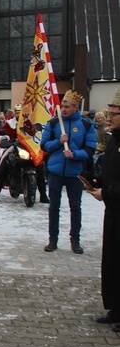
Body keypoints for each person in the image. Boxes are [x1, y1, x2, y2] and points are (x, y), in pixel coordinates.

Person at [41, 90, 96, 254]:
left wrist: (75, 154)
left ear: (75, 107)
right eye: (62, 106)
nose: (64, 109)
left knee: (75, 207)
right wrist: (59, 142)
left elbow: (91, 149)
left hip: (74, 172)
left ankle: (75, 240)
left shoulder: (86, 125)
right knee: (54, 206)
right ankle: (52, 239)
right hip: (56, 170)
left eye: (68, 106)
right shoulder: (53, 123)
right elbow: (44, 145)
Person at [88, 91, 120, 328]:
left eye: (113, 114)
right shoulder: (114, 140)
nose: (108, 118)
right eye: (108, 114)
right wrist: (97, 182)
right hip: (114, 210)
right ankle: (115, 308)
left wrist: (107, 193)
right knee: (112, 260)